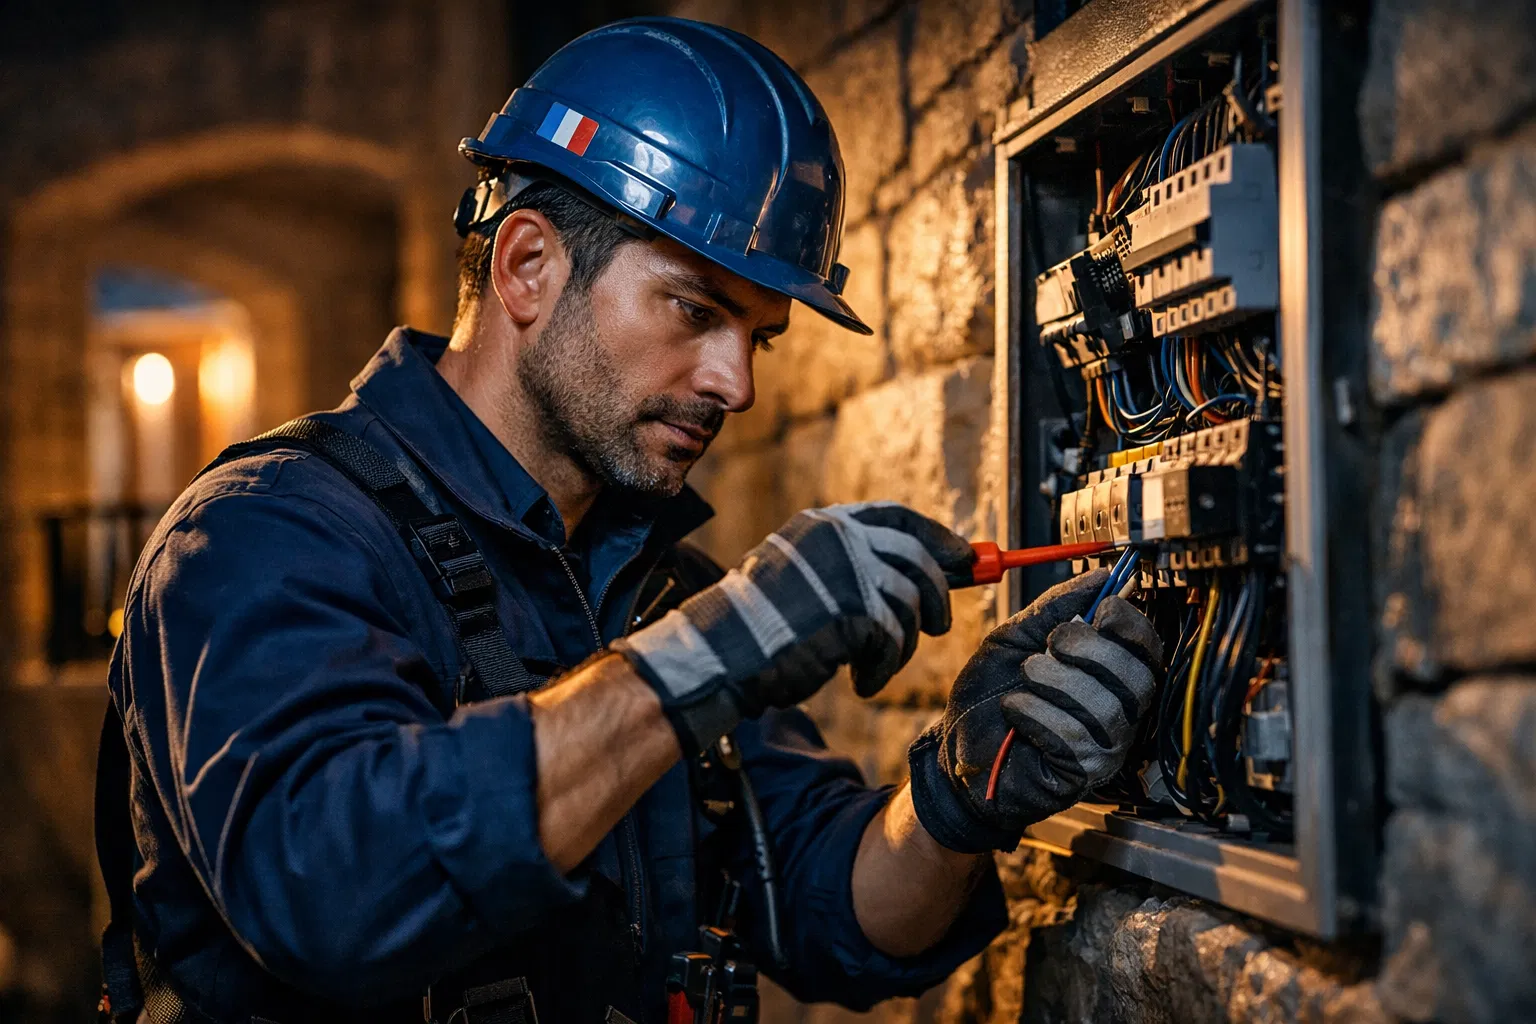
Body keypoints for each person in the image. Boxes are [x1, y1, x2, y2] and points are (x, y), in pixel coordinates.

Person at [95, 16, 1162, 1024]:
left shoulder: (659, 592)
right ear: (527, 266)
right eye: (696, 311)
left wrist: (956, 797)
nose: (734, 383)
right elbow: (330, 891)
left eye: (760, 337)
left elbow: (828, 909)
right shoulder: (264, 536)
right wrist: (718, 652)